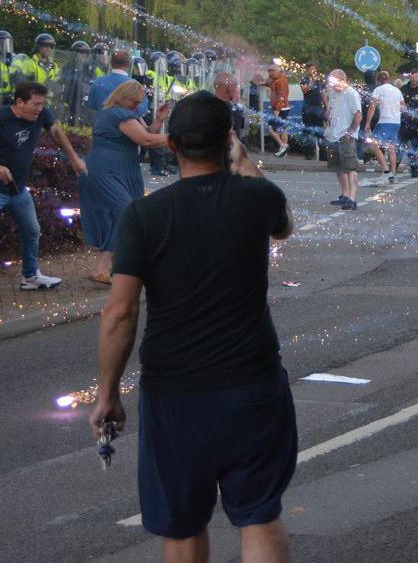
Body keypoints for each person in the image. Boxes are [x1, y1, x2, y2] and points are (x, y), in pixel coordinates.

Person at [89, 92, 295, 563]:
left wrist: (108, 393)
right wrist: (241, 160)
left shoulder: (143, 215)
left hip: (175, 391)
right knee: (258, 515)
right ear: (228, 141)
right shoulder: (259, 197)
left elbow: (121, 312)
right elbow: (283, 228)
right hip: (253, 381)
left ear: (172, 145)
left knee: (182, 523)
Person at [0, 82, 87, 300]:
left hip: (17, 189)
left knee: (32, 230)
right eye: (35, 104)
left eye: (42, 104)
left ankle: (30, 277)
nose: (39, 109)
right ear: (19, 102)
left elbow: (56, 132)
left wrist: (74, 158)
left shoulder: (41, 115)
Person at [82, 81, 173, 285]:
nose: (137, 106)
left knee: (123, 216)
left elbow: (147, 134)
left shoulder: (121, 114)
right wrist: (178, 138)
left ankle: (117, 266)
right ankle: (103, 267)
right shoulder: (118, 114)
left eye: (139, 103)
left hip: (117, 170)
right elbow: (146, 141)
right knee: (126, 214)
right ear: (124, 97)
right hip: (108, 170)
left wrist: (158, 121)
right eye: (135, 101)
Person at [324, 69, 364, 211]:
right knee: (338, 168)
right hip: (333, 134)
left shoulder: (351, 94)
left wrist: (350, 132)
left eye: (332, 81)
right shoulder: (333, 93)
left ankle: (352, 199)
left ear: (342, 80)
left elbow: (358, 115)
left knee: (350, 168)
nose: (330, 84)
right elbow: (331, 111)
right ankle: (345, 195)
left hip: (345, 136)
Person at [86, 50, 147, 115]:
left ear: (110, 63)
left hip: (102, 123)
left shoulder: (97, 82)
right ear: (129, 64)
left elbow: (92, 105)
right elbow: (141, 109)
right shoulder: (135, 86)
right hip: (127, 124)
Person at [369, 71, 404, 182]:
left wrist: (367, 123)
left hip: (385, 121)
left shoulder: (378, 90)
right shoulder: (397, 90)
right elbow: (403, 107)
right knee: (391, 148)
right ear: (388, 79)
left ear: (379, 81)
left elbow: (372, 106)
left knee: (374, 144)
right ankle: (393, 175)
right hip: (396, 122)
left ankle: (386, 170)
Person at [299, 70, 325, 161]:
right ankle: (309, 154)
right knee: (308, 131)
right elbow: (304, 90)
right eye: (310, 69)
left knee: (320, 132)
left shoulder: (319, 80)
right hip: (307, 109)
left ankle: (323, 155)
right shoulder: (304, 79)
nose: (313, 71)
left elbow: (323, 93)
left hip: (318, 108)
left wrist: (326, 106)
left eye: (314, 68)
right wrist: (311, 82)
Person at [267, 65, 292, 158]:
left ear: (277, 71)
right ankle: (284, 151)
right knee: (283, 128)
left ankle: (283, 145)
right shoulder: (279, 80)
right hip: (284, 107)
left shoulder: (280, 81)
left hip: (281, 108)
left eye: (271, 71)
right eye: (269, 71)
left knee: (270, 129)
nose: (270, 73)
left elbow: (282, 96)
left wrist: (277, 109)